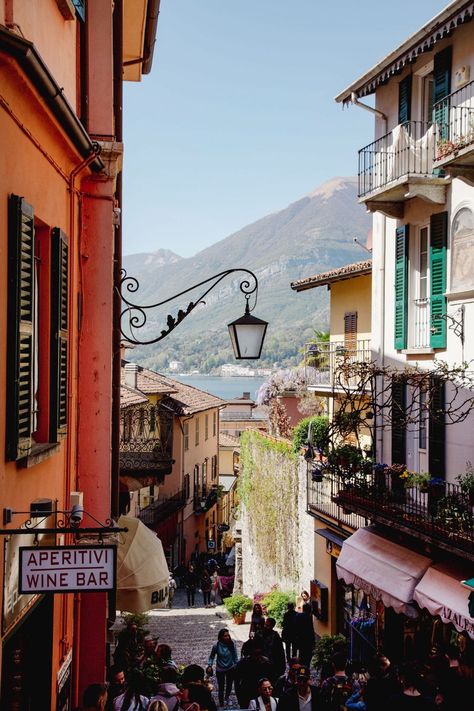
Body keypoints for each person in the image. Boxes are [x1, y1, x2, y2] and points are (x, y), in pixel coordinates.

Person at [206, 628, 238, 707]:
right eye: (225, 636)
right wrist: (209, 665)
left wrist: (236, 665)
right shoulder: (216, 646)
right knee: (221, 686)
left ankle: (227, 697)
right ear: (221, 637)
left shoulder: (231, 644)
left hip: (230, 667)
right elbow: (211, 657)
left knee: (229, 685)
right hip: (220, 668)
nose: (227, 637)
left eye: (228, 635)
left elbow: (235, 656)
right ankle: (221, 702)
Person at [294, 603, 315, 667]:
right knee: (307, 658)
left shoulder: (298, 615)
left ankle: (302, 671)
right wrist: (313, 641)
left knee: (301, 656)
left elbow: (295, 628)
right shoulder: (308, 616)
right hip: (308, 640)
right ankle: (305, 670)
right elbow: (311, 630)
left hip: (300, 640)